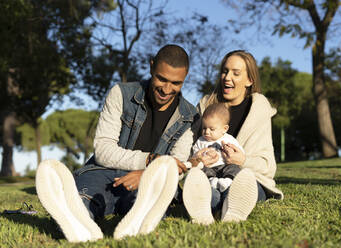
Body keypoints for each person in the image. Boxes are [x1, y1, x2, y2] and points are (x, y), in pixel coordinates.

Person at [35, 44, 198, 242]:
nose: (166, 89)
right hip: (103, 172)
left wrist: (148, 175)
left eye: (175, 83)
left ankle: (140, 220)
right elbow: (103, 151)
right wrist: (150, 160)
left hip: (148, 180)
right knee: (81, 201)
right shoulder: (121, 93)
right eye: (161, 79)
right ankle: (79, 220)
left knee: (148, 200)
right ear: (151, 67)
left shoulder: (190, 116)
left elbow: (176, 165)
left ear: (185, 77)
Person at [182, 50, 284, 225]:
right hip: (210, 176)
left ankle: (226, 207)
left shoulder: (258, 109)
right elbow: (188, 145)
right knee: (208, 188)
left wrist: (242, 160)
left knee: (242, 188)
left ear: (249, 80)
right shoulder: (206, 105)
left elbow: (267, 166)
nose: (227, 77)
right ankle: (210, 206)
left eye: (236, 73)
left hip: (247, 177)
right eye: (224, 71)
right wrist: (198, 159)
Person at [189, 103, 244, 193]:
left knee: (234, 168)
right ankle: (211, 181)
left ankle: (228, 181)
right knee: (202, 170)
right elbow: (195, 155)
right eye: (204, 128)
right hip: (209, 168)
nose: (206, 132)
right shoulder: (200, 141)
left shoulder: (228, 139)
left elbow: (240, 154)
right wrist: (200, 157)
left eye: (212, 129)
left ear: (224, 129)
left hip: (225, 166)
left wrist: (230, 151)